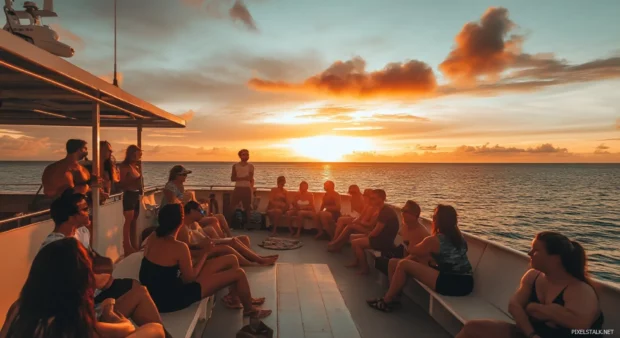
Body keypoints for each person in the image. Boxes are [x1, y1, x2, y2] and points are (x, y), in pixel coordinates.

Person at [40, 190, 166, 332]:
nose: (90, 212)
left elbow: (94, 262)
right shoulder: (56, 247)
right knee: (139, 293)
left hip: (95, 292)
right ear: (71, 217)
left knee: (134, 286)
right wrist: (102, 280)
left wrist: (104, 276)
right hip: (80, 308)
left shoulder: (82, 232)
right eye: (85, 209)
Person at [0, 238, 165, 338]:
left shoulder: (19, 309)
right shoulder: (69, 323)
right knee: (155, 330)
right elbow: (126, 328)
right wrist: (110, 312)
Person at [457, 232, 604, 338]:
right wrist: (532, 333)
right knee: (472, 328)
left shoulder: (580, 290)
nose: (529, 253)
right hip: (530, 333)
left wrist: (533, 308)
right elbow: (514, 306)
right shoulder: (533, 276)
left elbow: (580, 326)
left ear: (556, 258)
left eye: (536, 250)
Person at [140, 204, 271, 318]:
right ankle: (249, 310)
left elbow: (169, 268)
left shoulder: (153, 237)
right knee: (239, 273)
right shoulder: (179, 247)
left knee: (231, 259)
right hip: (172, 298)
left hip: (155, 292)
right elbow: (190, 279)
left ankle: (235, 297)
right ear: (181, 222)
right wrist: (206, 253)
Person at [367, 204, 474, 312]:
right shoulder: (460, 238)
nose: (433, 219)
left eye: (434, 216)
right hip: (467, 283)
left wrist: (407, 236)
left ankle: (386, 301)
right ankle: (394, 298)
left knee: (403, 264)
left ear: (438, 221)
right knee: (393, 262)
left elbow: (412, 250)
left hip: (451, 283)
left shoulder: (433, 240)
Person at [178, 201, 278, 266]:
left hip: (208, 244)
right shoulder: (183, 228)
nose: (203, 214)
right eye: (201, 211)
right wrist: (204, 244)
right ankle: (255, 262)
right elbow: (188, 248)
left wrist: (210, 240)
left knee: (242, 239)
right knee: (230, 244)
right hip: (204, 250)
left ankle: (258, 258)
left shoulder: (192, 224)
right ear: (191, 211)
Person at [346, 189, 398, 275]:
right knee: (352, 237)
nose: (370, 200)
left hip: (383, 241)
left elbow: (376, 232)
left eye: (373, 198)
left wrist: (366, 236)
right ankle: (357, 261)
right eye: (370, 198)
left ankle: (365, 269)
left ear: (381, 199)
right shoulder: (382, 209)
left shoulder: (385, 212)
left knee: (356, 243)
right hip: (380, 237)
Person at [118, 145, 143, 255]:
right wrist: (134, 182)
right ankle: (127, 247)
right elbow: (120, 184)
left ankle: (134, 245)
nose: (138, 157)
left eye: (139, 155)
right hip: (128, 195)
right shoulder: (124, 167)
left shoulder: (136, 167)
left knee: (134, 221)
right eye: (136, 154)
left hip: (136, 195)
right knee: (127, 222)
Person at [230, 149, 254, 223]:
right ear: (240, 156)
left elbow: (250, 178)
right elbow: (232, 178)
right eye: (244, 154)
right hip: (238, 188)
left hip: (246, 188)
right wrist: (244, 178)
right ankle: (230, 223)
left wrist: (239, 178)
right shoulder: (235, 166)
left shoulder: (250, 166)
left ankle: (248, 224)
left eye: (247, 154)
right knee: (232, 206)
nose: (246, 156)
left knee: (248, 207)